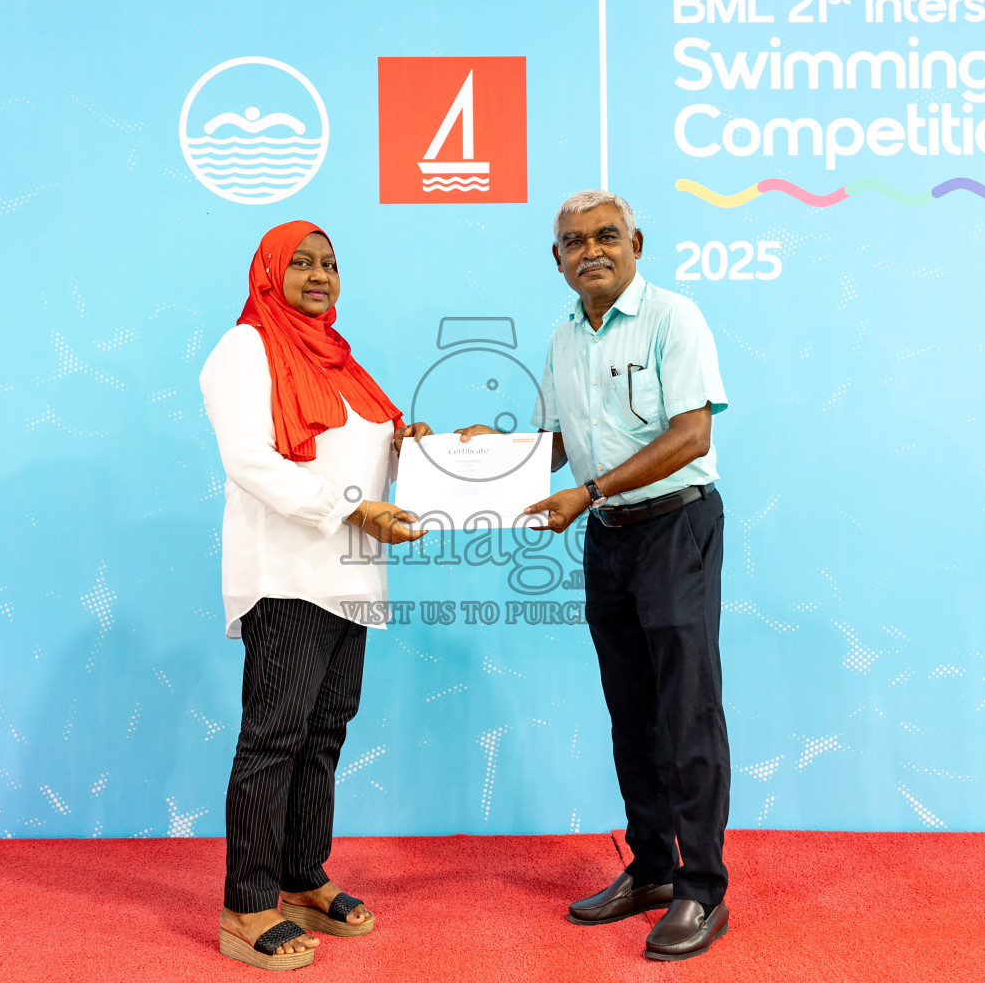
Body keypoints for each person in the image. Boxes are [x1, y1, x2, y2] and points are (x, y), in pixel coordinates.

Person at [460, 189, 731, 961]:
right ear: (557, 259)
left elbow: (691, 434)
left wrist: (591, 491)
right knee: (631, 711)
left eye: (606, 236)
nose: (591, 252)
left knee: (687, 713)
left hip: (675, 526)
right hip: (608, 537)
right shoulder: (562, 336)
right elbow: (557, 443)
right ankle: (649, 869)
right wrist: (490, 452)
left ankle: (702, 890)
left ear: (637, 242)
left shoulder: (674, 318)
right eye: (573, 243)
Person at [199, 220, 430, 971]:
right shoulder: (246, 348)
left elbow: (359, 447)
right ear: (267, 271)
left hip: (354, 575)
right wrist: (354, 510)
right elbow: (250, 462)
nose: (318, 273)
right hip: (290, 575)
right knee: (274, 738)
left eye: (329, 262)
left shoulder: (337, 357)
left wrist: (417, 449)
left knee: (324, 733)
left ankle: (301, 877)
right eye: (299, 262)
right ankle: (247, 902)